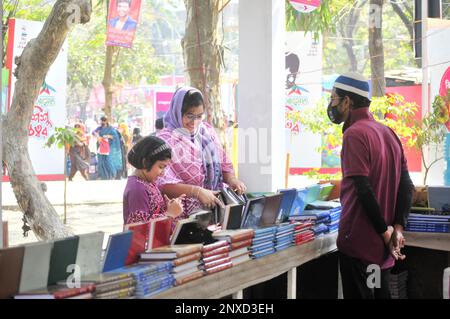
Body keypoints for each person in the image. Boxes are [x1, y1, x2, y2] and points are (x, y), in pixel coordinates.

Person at [328, 73, 414, 299]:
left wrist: (385, 233)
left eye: (334, 98)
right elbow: (407, 185)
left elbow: (363, 190)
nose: (332, 105)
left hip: (359, 245)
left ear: (347, 101)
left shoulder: (354, 135)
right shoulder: (388, 133)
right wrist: (397, 228)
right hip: (382, 252)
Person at [157, 87, 247, 215]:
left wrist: (232, 180)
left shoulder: (207, 132)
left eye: (199, 116)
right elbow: (162, 183)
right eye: (189, 116)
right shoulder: (164, 140)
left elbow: (223, 163)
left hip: (214, 207)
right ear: (177, 111)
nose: (194, 122)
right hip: (181, 213)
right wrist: (197, 192)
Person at [123, 136, 186, 226]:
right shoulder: (137, 189)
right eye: (161, 167)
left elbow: (153, 213)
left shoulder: (147, 183)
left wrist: (167, 207)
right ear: (145, 162)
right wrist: (169, 214)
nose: (163, 173)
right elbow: (139, 227)